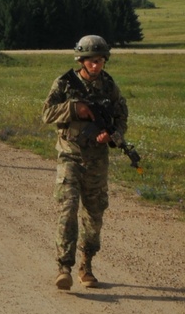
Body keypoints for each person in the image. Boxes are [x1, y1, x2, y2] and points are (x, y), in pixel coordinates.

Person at [42, 34, 128, 292]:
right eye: (91, 60)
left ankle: (86, 265)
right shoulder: (64, 83)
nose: (95, 65)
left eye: (100, 60)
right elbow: (46, 113)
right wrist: (73, 109)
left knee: (94, 214)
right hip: (70, 154)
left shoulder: (110, 87)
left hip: (97, 160)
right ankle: (64, 267)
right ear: (81, 59)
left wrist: (111, 135)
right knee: (67, 208)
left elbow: (121, 117)